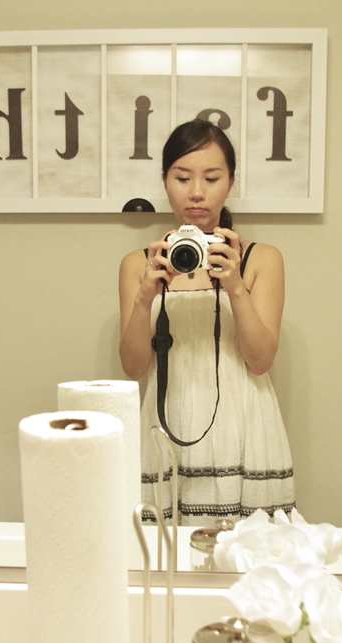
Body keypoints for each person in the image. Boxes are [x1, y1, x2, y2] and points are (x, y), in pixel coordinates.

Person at [118, 119, 295, 522]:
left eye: (212, 178)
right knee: (162, 552)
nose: (196, 192)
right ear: (164, 181)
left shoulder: (261, 259)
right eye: (182, 177)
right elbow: (133, 368)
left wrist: (234, 286)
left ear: (230, 182)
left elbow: (260, 361)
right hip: (165, 425)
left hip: (243, 426)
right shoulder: (137, 264)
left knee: (245, 552)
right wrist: (146, 296)